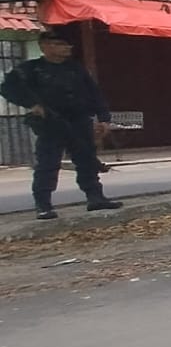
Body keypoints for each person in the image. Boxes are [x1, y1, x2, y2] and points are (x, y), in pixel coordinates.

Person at [0, 30, 124, 220]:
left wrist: (103, 118)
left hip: (79, 120)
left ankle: (95, 197)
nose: (67, 48)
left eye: (68, 45)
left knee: (86, 159)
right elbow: (7, 88)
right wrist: (32, 104)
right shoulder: (31, 69)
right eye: (61, 44)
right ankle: (43, 204)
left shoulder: (76, 68)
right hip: (50, 123)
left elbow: (94, 93)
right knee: (48, 164)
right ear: (46, 46)